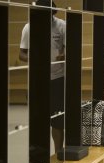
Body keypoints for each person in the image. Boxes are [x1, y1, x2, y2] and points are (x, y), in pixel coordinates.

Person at [19, 0, 66, 153]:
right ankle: (38, 155)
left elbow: (68, 49)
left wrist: (64, 54)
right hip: (37, 80)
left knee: (58, 121)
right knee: (37, 120)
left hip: (57, 78)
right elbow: (22, 54)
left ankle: (59, 153)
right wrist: (36, 59)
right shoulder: (29, 27)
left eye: (51, 15)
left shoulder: (62, 26)